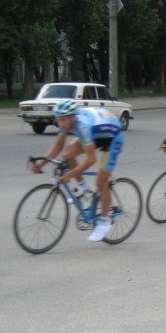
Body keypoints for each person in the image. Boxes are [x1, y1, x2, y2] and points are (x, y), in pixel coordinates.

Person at [32, 100, 124, 242]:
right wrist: (41, 164)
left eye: (63, 120)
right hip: (96, 134)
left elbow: (91, 159)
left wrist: (70, 175)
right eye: (58, 120)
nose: (61, 124)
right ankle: (83, 187)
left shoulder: (83, 127)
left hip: (112, 138)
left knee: (101, 181)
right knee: (67, 155)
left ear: (73, 117)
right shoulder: (67, 121)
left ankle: (104, 221)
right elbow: (58, 146)